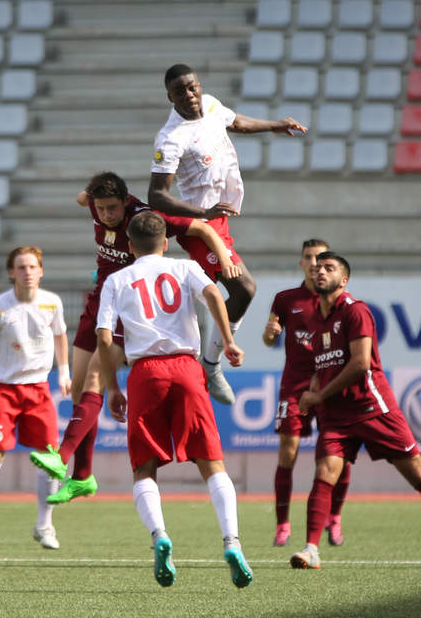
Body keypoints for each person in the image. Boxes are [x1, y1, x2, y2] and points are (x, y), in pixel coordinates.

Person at [28, 171, 238, 504]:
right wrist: (87, 198)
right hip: (99, 299)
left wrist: (224, 257)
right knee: (81, 390)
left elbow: (199, 227)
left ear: (125, 202)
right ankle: (82, 477)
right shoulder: (96, 207)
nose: (106, 215)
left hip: (130, 305)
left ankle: (62, 455)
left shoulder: (145, 219)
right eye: (100, 208)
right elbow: (82, 198)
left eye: (112, 208)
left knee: (96, 376)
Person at [290, 251, 421, 571]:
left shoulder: (356, 311)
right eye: (316, 267)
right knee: (325, 473)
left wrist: (320, 393)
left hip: (372, 408)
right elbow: (322, 366)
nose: (319, 271)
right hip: (336, 416)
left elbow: (360, 363)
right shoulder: (314, 321)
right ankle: (311, 549)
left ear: (344, 279)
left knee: (418, 475)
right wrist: (312, 390)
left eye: (329, 267)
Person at [95, 210, 253, 589]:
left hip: (145, 373)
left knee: (144, 469)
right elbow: (215, 292)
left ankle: (160, 536)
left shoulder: (117, 279)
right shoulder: (184, 268)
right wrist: (228, 342)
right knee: (212, 463)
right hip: (186, 368)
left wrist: (113, 387)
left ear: (130, 246)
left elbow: (103, 337)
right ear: (166, 242)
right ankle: (231, 541)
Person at [148, 62, 306, 405]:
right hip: (196, 225)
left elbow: (236, 123)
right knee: (243, 287)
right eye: (180, 92)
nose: (190, 95)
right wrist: (202, 214)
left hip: (219, 217)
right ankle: (210, 365)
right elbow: (156, 195)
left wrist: (274, 125)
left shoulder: (212, 105)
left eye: (192, 87)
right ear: (169, 97)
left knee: (211, 292)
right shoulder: (171, 138)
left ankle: (196, 360)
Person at [0, 245, 71, 551]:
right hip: (2, 388)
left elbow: (60, 336)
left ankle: (45, 525)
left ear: (41, 271)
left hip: (38, 389)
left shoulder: (52, 303)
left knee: (50, 459)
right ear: (11, 272)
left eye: (32, 267)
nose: (27, 273)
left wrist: (64, 371)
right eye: (21, 267)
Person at [262, 238, 353, 548]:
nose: (315, 264)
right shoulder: (286, 299)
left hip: (330, 385)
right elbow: (269, 336)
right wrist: (269, 334)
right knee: (288, 453)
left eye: (322, 259)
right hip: (294, 386)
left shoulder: (340, 302)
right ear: (301, 263)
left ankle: (334, 518)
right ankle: (283, 524)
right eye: (309, 258)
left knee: (335, 457)